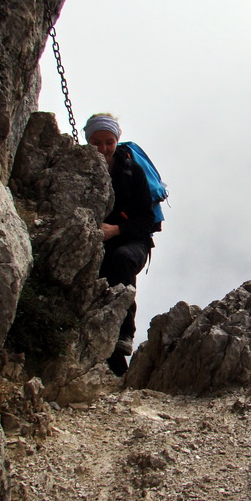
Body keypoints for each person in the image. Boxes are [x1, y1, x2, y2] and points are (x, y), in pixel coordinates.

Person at [84, 113, 155, 375]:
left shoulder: (132, 172)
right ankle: (116, 370)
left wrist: (116, 230)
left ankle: (125, 334)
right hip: (99, 242)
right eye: (96, 143)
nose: (102, 149)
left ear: (117, 141)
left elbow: (147, 220)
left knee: (121, 261)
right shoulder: (79, 169)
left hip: (133, 242)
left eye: (108, 142)